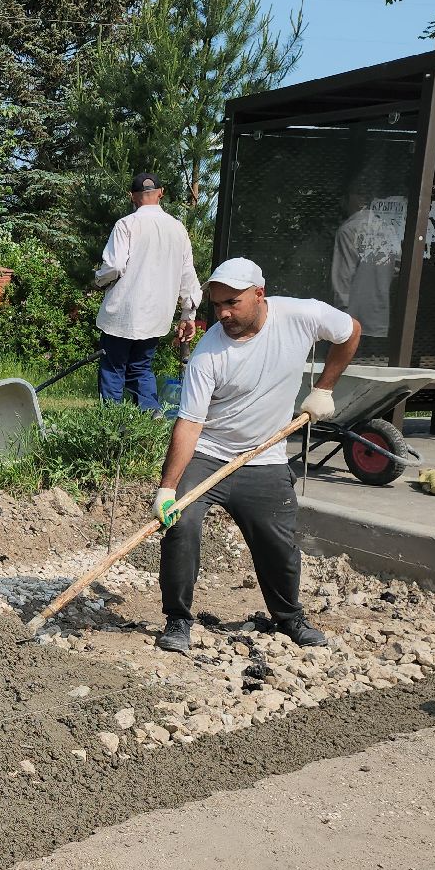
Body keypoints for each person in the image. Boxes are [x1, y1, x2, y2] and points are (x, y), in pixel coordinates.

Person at [152, 257, 362, 654]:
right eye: (217, 305)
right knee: (181, 523)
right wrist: (168, 488)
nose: (224, 313)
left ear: (259, 294)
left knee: (278, 545)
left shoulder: (302, 315)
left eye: (232, 302)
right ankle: (178, 619)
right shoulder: (208, 355)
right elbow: (190, 424)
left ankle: (288, 617)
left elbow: (351, 331)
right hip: (210, 454)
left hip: (263, 460)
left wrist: (325, 387)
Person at [92, 172, 201, 411]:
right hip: (156, 315)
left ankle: (111, 424)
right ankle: (150, 417)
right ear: (161, 193)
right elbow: (188, 277)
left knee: (113, 368)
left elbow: (115, 265)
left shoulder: (126, 225)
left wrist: (99, 280)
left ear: (132, 196)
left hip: (122, 312)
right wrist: (187, 316)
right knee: (141, 367)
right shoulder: (178, 229)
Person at [331, 185, 398, 339]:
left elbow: (343, 277)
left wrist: (338, 318)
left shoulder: (349, 230)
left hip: (352, 319)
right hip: (380, 315)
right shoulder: (388, 229)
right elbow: (397, 267)